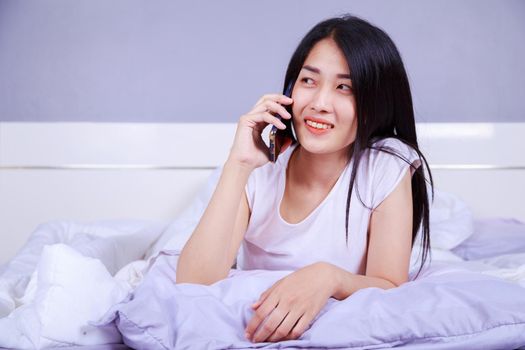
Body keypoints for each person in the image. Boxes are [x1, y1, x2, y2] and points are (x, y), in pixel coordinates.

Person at [176, 14, 433, 343]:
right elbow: (192, 284)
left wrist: (328, 278)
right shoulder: (261, 167)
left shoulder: (384, 166)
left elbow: (389, 285)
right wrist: (238, 164)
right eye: (308, 81)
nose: (319, 104)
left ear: (375, 104)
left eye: (345, 88)